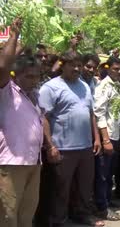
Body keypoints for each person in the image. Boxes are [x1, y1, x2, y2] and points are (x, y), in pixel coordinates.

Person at [0, 18, 58, 227]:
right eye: (29, 77)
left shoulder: (33, 95)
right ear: (15, 75)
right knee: (8, 216)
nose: (34, 81)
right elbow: (2, 66)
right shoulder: (6, 92)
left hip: (34, 163)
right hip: (11, 165)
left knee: (26, 215)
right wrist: (14, 36)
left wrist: (49, 145)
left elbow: (41, 121)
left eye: (37, 77)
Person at [37, 52, 103, 226]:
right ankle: (58, 220)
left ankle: (81, 214)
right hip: (63, 148)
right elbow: (43, 118)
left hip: (85, 147)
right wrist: (50, 145)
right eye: (72, 65)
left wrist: (96, 138)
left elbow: (90, 113)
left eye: (79, 65)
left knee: (84, 186)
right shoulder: (50, 88)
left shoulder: (85, 86)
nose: (76, 69)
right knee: (61, 188)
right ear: (62, 65)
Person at [93, 56, 120, 221]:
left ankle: (107, 201)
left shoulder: (118, 86)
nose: (119, 72)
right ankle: (101, 208)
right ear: (108, 68)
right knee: (103, 174)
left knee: (110, 173)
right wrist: (105, 139)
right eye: (115, 69)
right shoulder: (104, 86)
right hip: (108, 136)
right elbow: (99, 113)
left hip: (116, 134)